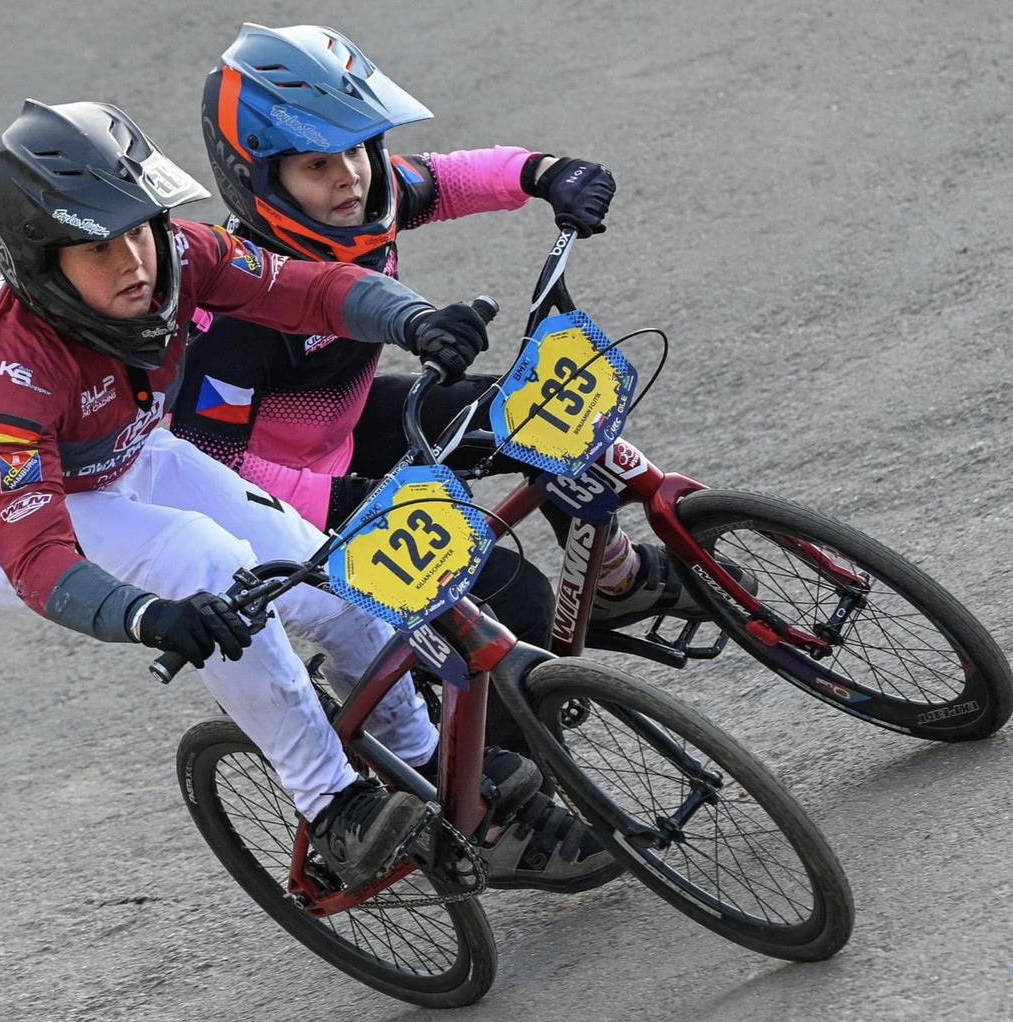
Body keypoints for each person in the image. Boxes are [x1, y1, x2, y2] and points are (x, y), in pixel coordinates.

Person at [0, 99, 617, 894]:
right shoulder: (14, 379)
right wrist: (147, 615)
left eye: (139, 226)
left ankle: (432, 768)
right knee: (205, 566)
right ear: (41, 263)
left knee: (336, 579)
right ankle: (333, 803)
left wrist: (412, 322)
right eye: (98, 248)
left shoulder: (175, 253)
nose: (135, 260)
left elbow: (305, 290)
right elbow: (36, 557)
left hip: (126, 448)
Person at [174, 23, 710, 696]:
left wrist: (543, 173)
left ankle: (613, 583)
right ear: (261, 179)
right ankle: (508, 777)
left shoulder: (368, 198)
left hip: (346, 422)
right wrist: (340, 499)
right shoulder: (234, 315)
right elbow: (207, 465)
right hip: (283, 496)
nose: (350, 177)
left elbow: (451, 178)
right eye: (317, 165)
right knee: (516, 601)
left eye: (358, 150)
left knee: (541, 413)